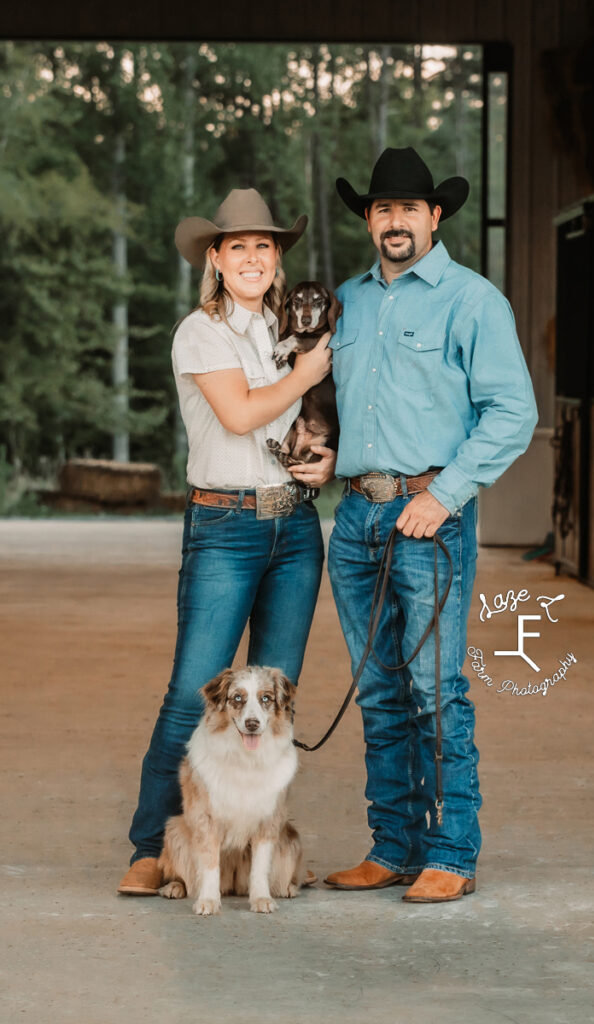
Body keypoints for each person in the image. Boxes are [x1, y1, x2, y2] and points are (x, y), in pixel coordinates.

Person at [319, 147, 538, 903]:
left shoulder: (472, 301)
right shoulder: (347, 301)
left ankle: (451, 851)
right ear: (370, 220)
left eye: (408, 208)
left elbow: (512, 412)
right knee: (378, 691)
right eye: (382, 209)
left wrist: (443, 496)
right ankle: (392, 845)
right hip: (353, 520)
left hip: (428, 520)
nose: (394, 221)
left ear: (434, 217)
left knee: (433, 690)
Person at [118, 188, 335, 895]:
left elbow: (315, 419)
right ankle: (151, 847)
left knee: (269, 702)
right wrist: (303, 375)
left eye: (263, 246)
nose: (251, 257)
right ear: (215, 258)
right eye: (236, 245)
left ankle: (252, 856)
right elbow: (240, 415)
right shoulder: (199, 332)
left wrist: (329, 459)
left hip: (295, 525)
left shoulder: (293, 327)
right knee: (193, 694)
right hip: (224, 527)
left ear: (277, 263)